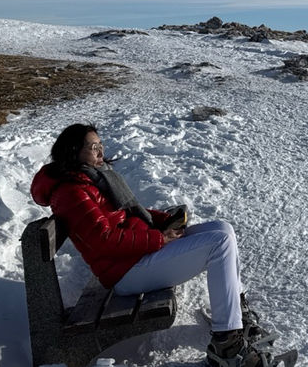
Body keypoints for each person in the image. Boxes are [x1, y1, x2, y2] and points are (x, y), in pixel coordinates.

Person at [30, 123, 270, 367]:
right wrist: (158, 238)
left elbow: (128, 214)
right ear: (73, 152)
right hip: (125, 273)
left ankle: (237, 315)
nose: (101, 153)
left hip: (133, 258)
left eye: (100, 145)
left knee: (222, 228)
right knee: (218, 244)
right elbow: (103, 241)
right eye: (94, 148)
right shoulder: (72, 191)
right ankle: (228, 344)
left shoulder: (92, 179)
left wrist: (163, 220)